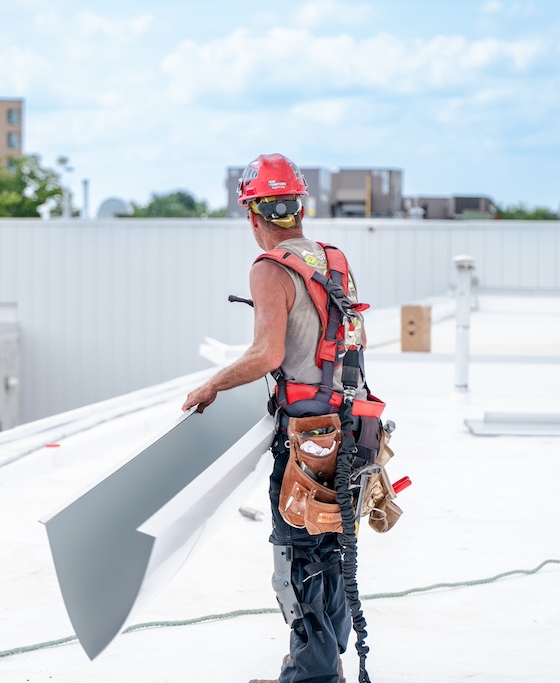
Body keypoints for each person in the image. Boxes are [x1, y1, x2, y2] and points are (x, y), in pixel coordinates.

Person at [182, 153, 371, 683]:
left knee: (299, 555)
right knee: (331, 547)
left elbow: (267, 354)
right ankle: (321, 665)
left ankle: (311, 677)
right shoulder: (333, 260)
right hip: (351, 426)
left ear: (253, 215)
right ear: (300, 208)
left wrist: (211, 384)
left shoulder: (270, 268)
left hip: (308, 439)